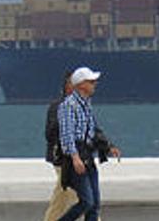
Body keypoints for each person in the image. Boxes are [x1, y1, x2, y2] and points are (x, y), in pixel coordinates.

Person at [57, 67, 121, 221]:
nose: (95, 84)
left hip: (88, 155)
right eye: (91, 82)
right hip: (78, 155)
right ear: (81, 85)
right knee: (87, 202)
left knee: (95, 204)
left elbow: (94, 129)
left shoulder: (86, 105)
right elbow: (67, 135)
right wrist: (75, 157)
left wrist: (108, 146)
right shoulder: (68, 105)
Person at [44, 71, 78, 221]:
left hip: (77, 158)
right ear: (67, 86)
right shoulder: (57, 107)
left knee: (61, 198)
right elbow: (50, 133)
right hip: (62, 158)